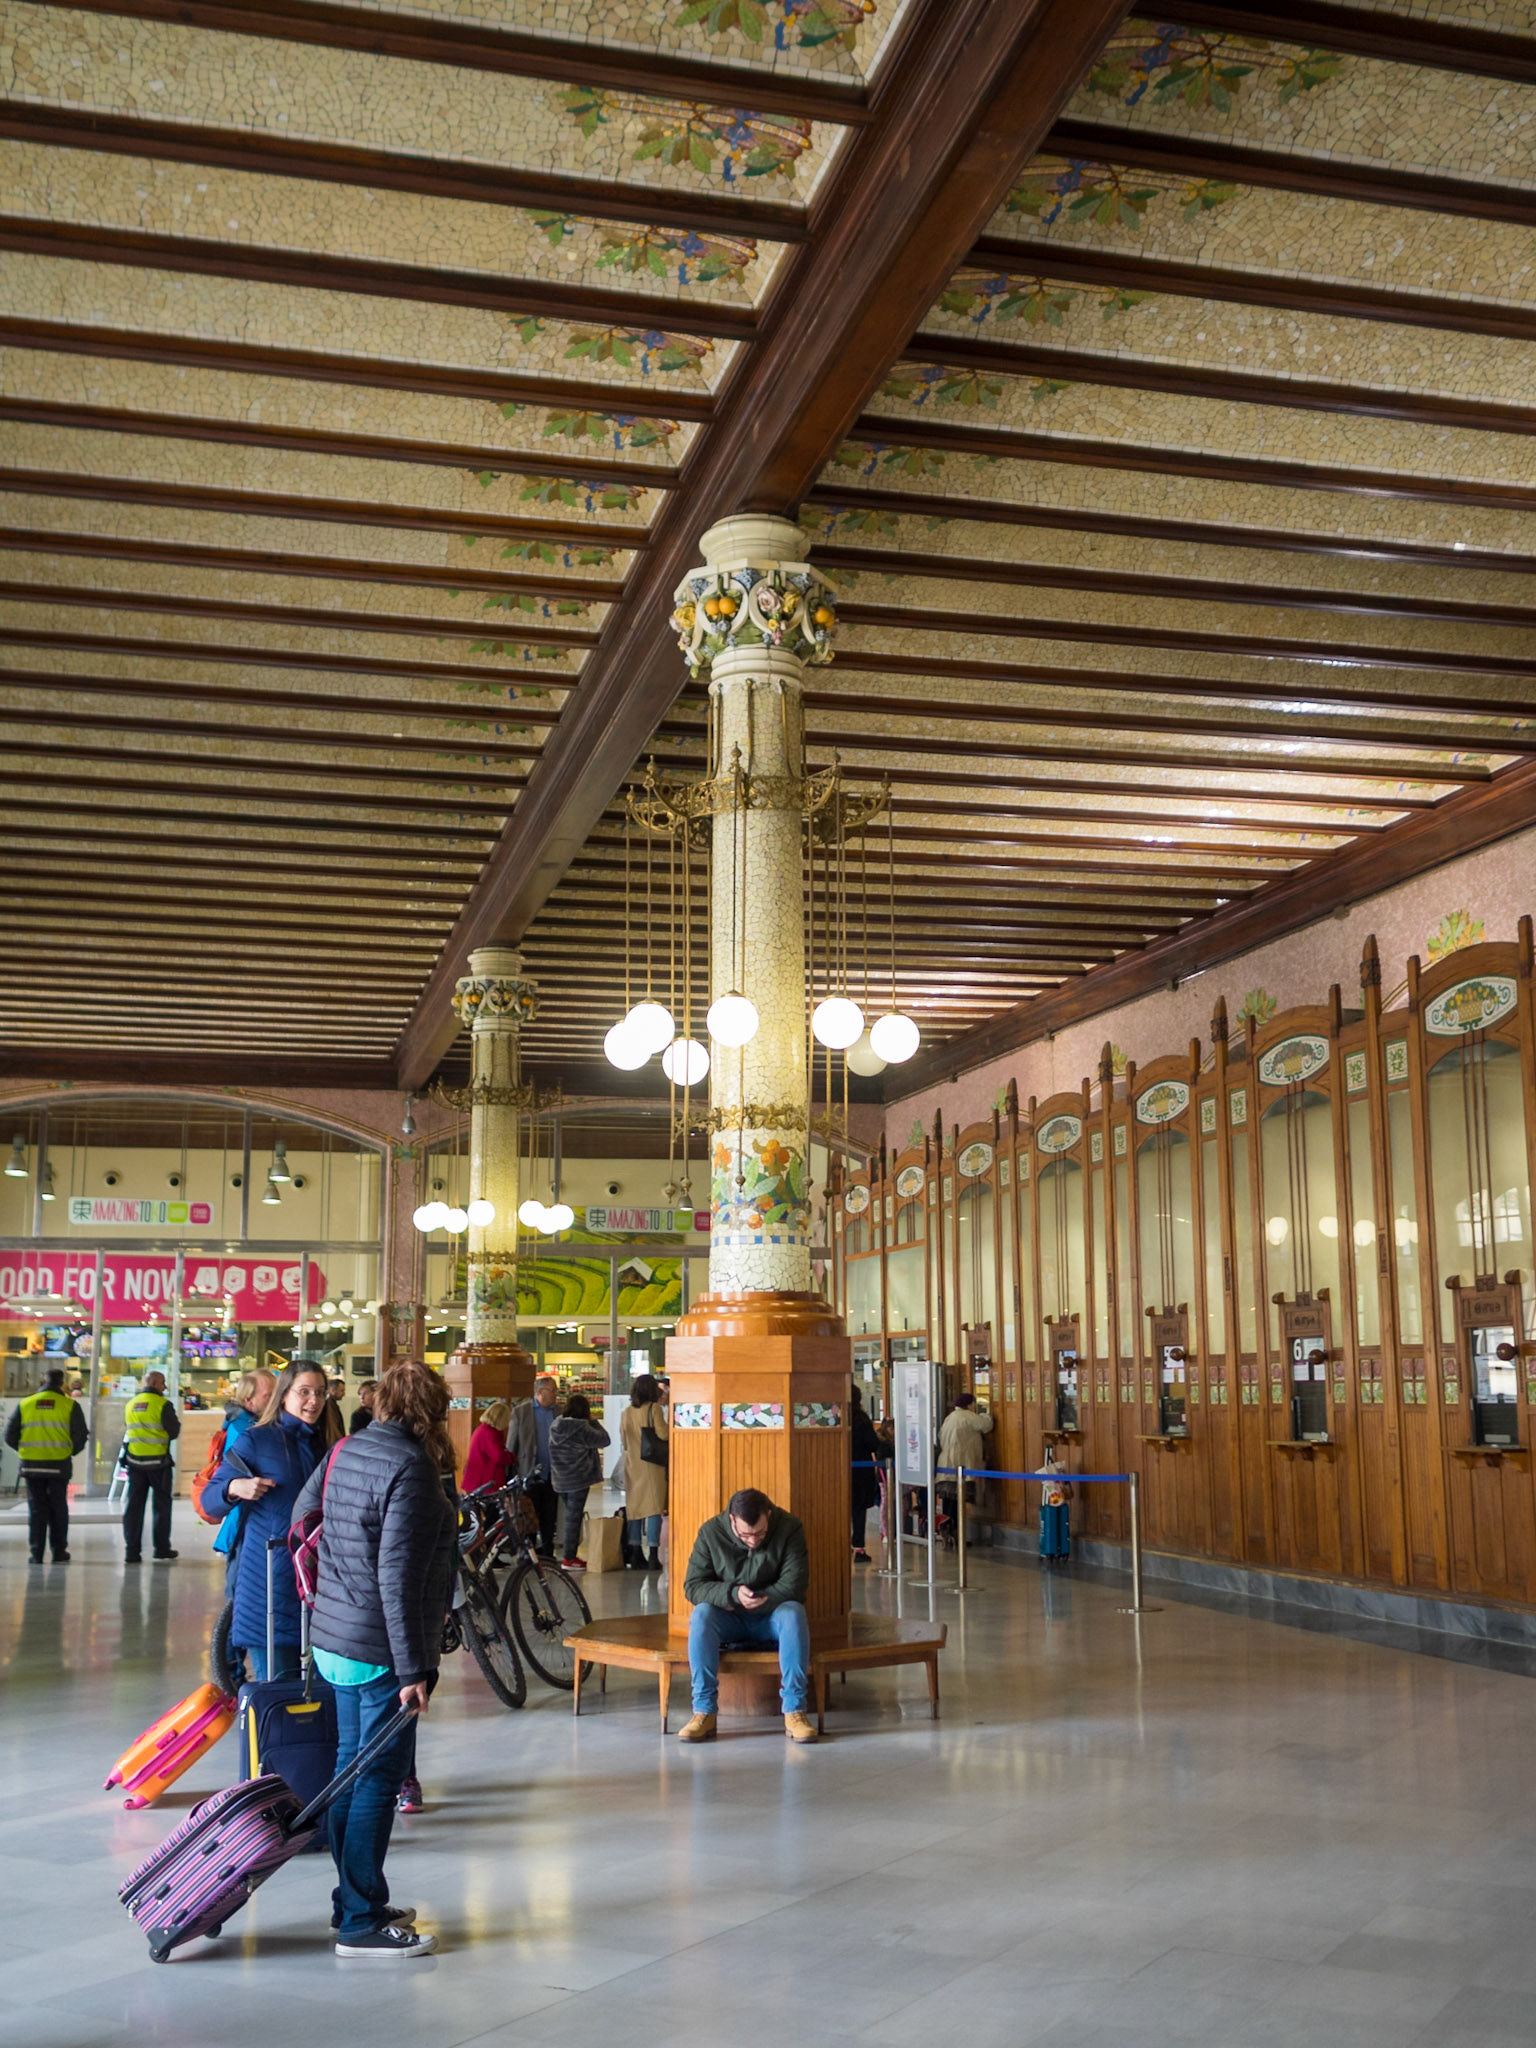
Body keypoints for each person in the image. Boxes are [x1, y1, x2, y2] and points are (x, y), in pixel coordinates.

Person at [291, 1358, 456, 1959]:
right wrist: (413, 1669)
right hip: (379, 1647)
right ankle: (360, 1922)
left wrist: (339, 1582)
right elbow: (397, 1575)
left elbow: (301, 1519)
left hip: (334, 1635)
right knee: (377, 1782)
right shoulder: (411, 1467)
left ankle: (353, 1899)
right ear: (432, 1410)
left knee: (348, 1769)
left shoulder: (348, 1449)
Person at [203, 1359, 327, 1680]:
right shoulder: (257, 1440)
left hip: (318, 1585)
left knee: (320, 1702)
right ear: (283, 1395)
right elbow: (209, 1501)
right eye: (304, 1392)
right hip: (269, 1585)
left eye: (320, 1393)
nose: (313, 1400)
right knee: (279, 1697)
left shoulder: (326, 1444)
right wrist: (235, 1487)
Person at [679, 1488, 816, 1745]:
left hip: (772, 1616)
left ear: (769, 1515)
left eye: (760, 1533)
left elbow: (795, 1585)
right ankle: (703, 1711)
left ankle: (795, 1710)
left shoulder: (789, 1528)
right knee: (701, 1615)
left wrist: (758, 1599)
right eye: (745, 1535)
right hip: (728, 1616)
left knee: (794, 1613)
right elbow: (693, 1586)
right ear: (732, 1520)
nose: (753, 1540)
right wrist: (732, 1594)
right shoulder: (710, 1532)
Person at [5, 1367, 88, 1563]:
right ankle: (59, 1552)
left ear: (43, 1381)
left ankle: (36, 1554)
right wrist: (69, 1451)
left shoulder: (26, 1404)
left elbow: (9, 1435)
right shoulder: (69, 1406)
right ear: (62, 1383)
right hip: (59, 1465)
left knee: (36, 1509)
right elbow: (81, 1436)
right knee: (59, 1508)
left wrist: (25, 1450)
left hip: (32, 1466)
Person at [212, 1367, 275, 1576]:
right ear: (249, 1401)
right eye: (269, 1396)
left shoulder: (248, 1424)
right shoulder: (245, 1432)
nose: (276, 1400)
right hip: (242, 1526)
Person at [121, 1368, 182, 1564]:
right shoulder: (163, 1404)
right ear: (155, 1383)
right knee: (161, 1507)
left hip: (135, 1463)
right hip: (159, 1464)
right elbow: (173, 1432)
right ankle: (162, 1549)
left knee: (134, 1508)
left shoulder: (130, 1404)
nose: (165, 1387)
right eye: (163, 1383)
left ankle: (132, 1552)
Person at [548, 1392, 610, 1571]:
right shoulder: (582, 1428)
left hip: (560, 1479)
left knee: (570, 1517)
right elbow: (605, 1440)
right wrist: (593, 1421)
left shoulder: (556, 1425)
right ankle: (569, 1558)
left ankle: (569, 1555)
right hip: (579, 1480)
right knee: (573, 1519)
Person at [619, 1372, 668, 1569]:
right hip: (652, 1465)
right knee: (654, 1509)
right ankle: (653, 1555)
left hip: (632, 1464)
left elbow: (623, 1440)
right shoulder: (654, 1409)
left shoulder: (626, 1412)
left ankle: (635, 1552)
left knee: (635, 1508)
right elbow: (663, 1434)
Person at [509, 1375, 560, 1557]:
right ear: (540, 1392)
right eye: (552, 1390)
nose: (556, 1394)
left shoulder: (559, 1412)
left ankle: (547, 1553)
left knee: (549, 1517)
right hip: (528, 1474)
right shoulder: (521, 1412)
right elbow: (511, 1446)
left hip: (552, 1475)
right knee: (528, 1517)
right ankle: (527, 1554)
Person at [937, 1390, 993, 1544]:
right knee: (957, 1503)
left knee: (948, 1502)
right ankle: (956, 1535)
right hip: (959, 1465)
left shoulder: (949, 1417)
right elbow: (986, 1425)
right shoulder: (967, 1416)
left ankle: (946, 1531)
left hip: (946, 1466)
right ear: (969, 1404)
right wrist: (987, 1413)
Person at [848, 1384, 882, 1564]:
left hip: (838, 1471)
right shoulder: (861, 1419)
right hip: (861, 1472)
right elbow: (873, 1444)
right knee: (859, 1511)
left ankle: (839, 1544)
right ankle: (859, 1548)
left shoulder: (834, 1416)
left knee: (841, 1509)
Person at [461, 1397, 514, 1495]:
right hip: (485, 1482)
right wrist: (511, 1457)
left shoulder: (482, 1429)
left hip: (478, 1480)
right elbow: (498, 1456)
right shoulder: (490, 1433)